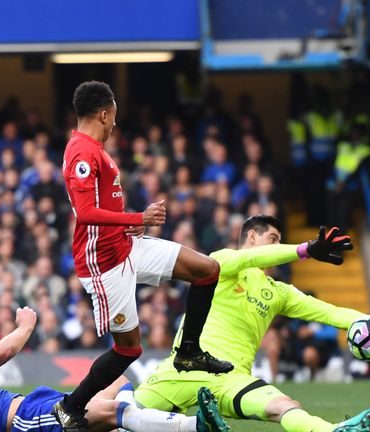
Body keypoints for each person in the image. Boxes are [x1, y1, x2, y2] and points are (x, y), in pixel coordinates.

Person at [132, 216, 370, 432]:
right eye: (273, 239)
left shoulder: (278, 292)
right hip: (180, 368)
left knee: (282, 405)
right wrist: (303, 249)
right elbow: (254, 258)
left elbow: (328, 312)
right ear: (252, 237)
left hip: (231, 377)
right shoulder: (222, 262)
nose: (277, 248)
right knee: (113, 417)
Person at [55, 81, 234, 429]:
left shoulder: (92, 148)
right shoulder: (82, 152)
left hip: (126, 243)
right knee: (129, 349)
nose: (115, 124)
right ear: (104, 114)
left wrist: (129, 225)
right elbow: (85, 212)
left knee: (207, 270)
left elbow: (103, 207)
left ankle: (188, 352)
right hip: (104, 263)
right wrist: (138, 218)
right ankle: (71, 407)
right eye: (114, 117)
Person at [0, 308, 230, 432]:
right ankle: (195, 426)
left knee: (118, 383)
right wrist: (26, 325)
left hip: (30, 407)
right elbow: (2, 352)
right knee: (110, 411)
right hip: (23, 420)